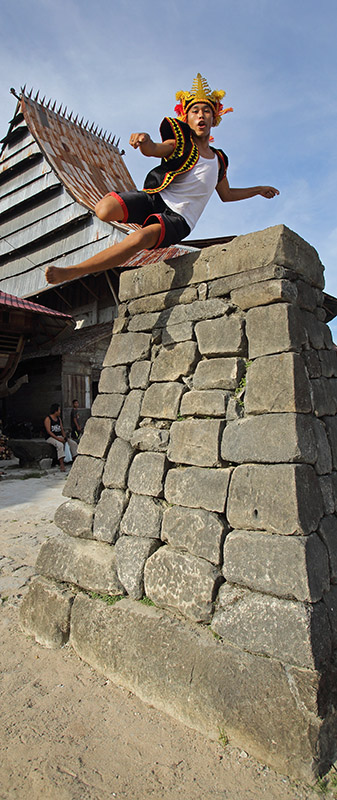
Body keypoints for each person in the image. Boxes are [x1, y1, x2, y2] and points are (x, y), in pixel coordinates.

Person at [45, 73, 279, 286]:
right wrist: (144, 141)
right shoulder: (180, 143)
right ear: (186, 117)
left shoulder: (219, 160)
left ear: (214, 117)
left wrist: (258, 189)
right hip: (157, 197)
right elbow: (155, 149)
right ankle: (135, 225)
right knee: (104, 209)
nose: (200, 116)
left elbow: (227, 195)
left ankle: (74, 271)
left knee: (140, 238)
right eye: (195, 111)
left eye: (206, 111)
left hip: (179, 219)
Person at [44, 403, 77, 472]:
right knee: (60, 445)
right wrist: (57, 438)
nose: (60, 412)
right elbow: (49, 431)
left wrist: (65, 437)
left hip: (59, 436)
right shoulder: (48, 419)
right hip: (51, 437)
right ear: (55, 411)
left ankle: (75, 461)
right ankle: (61, 464)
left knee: (73, 443)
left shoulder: (59, 419)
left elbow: (61, 429)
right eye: (59, 410)